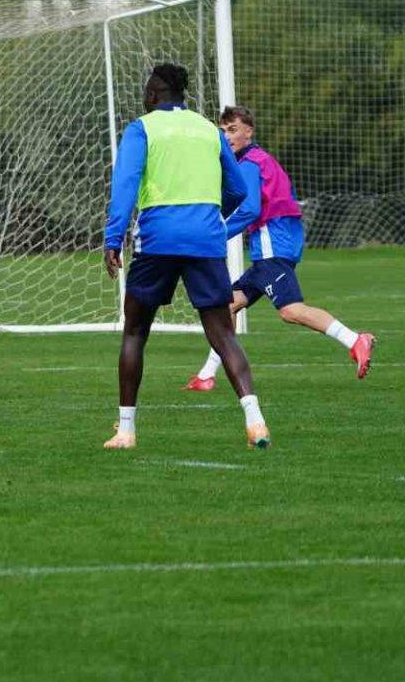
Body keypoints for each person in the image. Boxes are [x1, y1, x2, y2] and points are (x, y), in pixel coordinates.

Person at [103, 64, 267, 450]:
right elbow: (238, 189)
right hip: (206, 240)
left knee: (135, 331)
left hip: (158, 239)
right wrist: (207, 215)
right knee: (223, 334)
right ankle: (256, 421)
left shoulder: (142, 129)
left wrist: (113, 237)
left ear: (153, 95)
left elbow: (125, 184)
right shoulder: (209, 130)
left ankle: (126, 431)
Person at [184, 105, 375, 390]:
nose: (227, 136)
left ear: (249, 131)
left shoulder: (249, 163)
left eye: (233, 130)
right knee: (228, 305)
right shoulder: (261, 159)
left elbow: (249, 210)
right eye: (222, 131)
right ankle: (206, 375)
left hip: (272, 247)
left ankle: (355, 340)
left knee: (290, 311)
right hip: (274, 247)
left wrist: (216, 234)